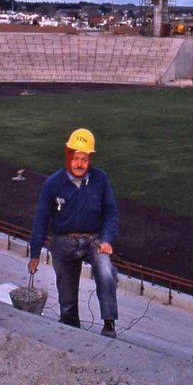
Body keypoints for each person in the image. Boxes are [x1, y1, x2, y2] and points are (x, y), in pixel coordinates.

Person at [27, 128, 120, 338]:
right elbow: (41, 220)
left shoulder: (100, 180)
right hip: (63, 242)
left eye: (84, 159)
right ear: (68, 156)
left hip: (93, 239)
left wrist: (106, 240)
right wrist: (35, 254)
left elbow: (111, 212)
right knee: (67, 298)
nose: (79, 164)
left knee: (106, 270)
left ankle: (109, 324)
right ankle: (72, 331)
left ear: (90, 159)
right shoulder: (53, 183)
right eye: (76, 158)